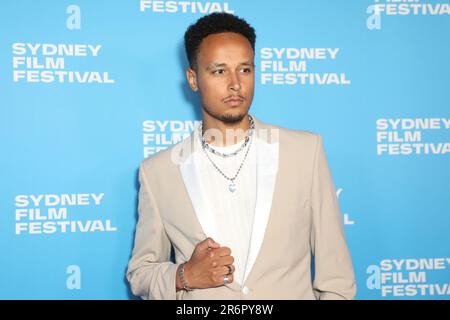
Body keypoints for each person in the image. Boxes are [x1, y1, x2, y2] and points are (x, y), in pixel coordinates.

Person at [126, 12, 356, 300]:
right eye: (219, 71)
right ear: (193, 79)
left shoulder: (304, 152)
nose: (235, 83)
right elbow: (140, 273)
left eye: (245, 69)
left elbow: (337, 278)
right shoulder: (158, 171)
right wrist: (184, 275)